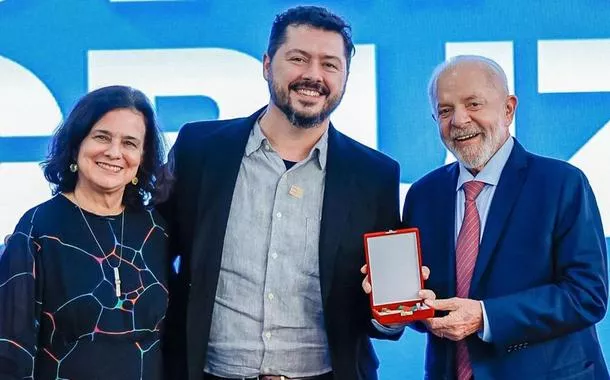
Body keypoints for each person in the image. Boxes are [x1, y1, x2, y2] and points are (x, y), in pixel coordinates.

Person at [160, 6, 436, 380]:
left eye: (329, 64)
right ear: (267, 64)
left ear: (345, 77)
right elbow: (151, 252)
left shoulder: (374, 175)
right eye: (298, 59)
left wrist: (393, 311)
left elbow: (378, 316)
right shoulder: (200, 149)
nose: (313, 75)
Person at [401, 55, 608, 379]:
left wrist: (485, 316)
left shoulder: (562, 184)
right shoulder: (423, 195)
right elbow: (422, 306)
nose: (459, 120)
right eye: (445, 110)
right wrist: (404, 304)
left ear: (509, 109)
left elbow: (587, 295)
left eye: (474, 104)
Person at [0, 85, 170, 379]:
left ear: (143, 157)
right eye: (102, 137)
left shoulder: (158, 230)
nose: (114, 152)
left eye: (130, 143)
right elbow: (11, 351)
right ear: (76, 144)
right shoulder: (37, 227)